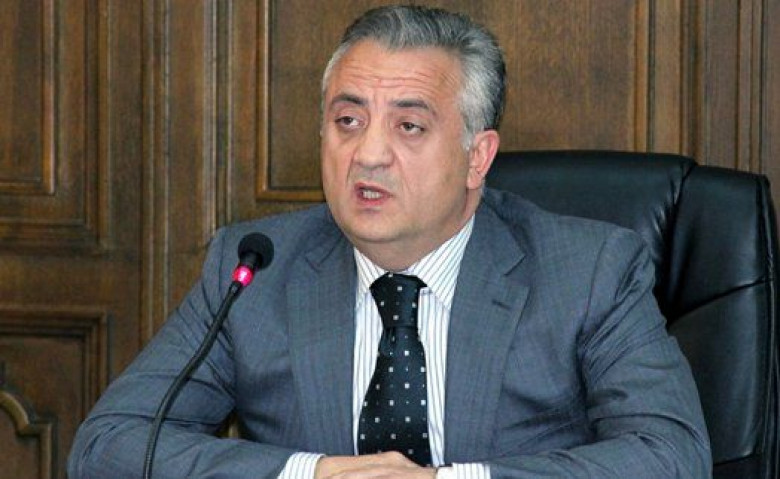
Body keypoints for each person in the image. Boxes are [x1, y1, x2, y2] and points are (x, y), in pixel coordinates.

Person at [67, 5, 711, 478]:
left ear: (477, 157)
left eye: (409, 127)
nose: (368, 154)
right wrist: (314, 474)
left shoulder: (590, 271)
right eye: (348, 121)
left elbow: (671, 456)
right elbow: (108, 446)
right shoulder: (256, 268)